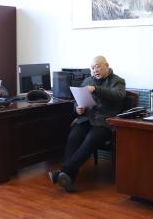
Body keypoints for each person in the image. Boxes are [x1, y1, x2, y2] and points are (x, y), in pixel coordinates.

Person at [48, 56, 125, 192]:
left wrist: (95, 89)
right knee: (73, 137)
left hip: (104, 122)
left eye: (98, 66)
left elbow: (117, 96)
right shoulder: (87, 81)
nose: (95, 70)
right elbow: (77, 100)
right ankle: (68, 177)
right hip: (86, 118)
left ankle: (63, 172)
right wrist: (77, 108)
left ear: (107, 65)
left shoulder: (117, 81)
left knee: (90, 140)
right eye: (93, 67)